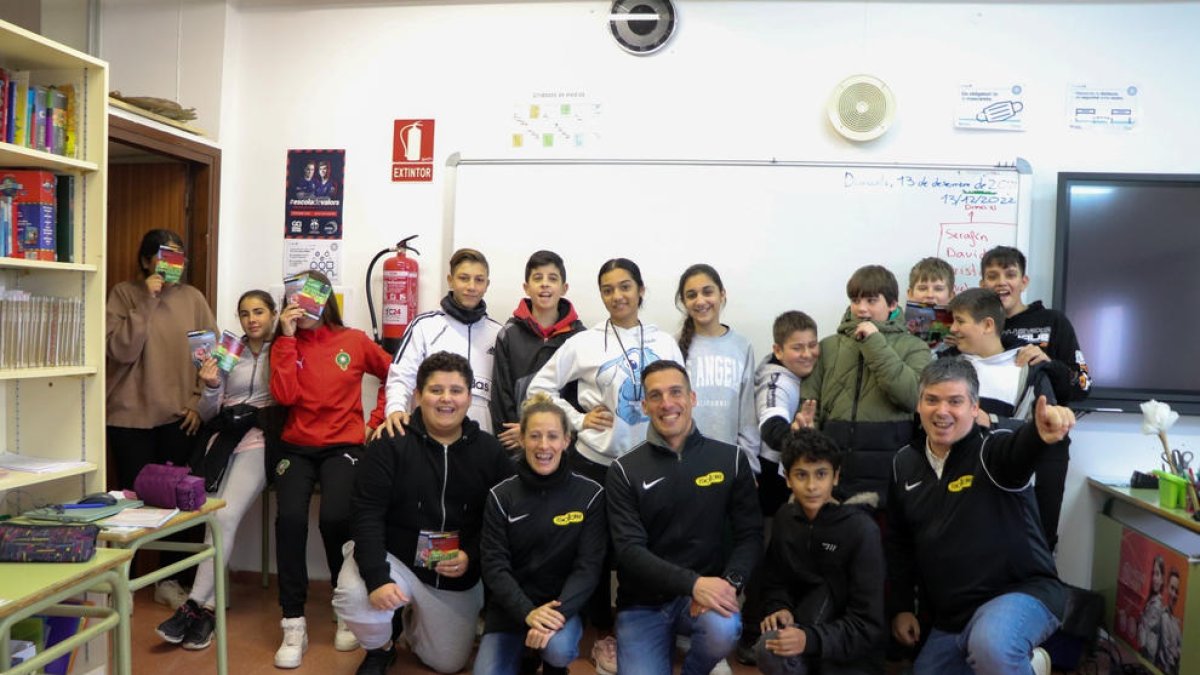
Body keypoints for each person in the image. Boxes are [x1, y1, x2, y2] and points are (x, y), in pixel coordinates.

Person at [527, 257, 683, 666]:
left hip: (649, 463)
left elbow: (678, 399)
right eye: (609, 289)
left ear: (641, 290)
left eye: (626, 286)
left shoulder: (664, 342)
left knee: (642, 549)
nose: (618, 296)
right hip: (595, 462)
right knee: (592, 551)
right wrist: (577, 420)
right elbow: (538, 390)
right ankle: (602, 631)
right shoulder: (585, 341)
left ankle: (644, 624)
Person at [886, 358, 1072, 675]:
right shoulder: (903, 463)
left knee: (993, 648)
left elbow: (1018, 452)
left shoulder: (992, 450)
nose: (941, 411)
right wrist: (902, 607)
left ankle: (1014, 659)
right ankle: (1025, 664)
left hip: (1020, 595)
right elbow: (901, 544)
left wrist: (1038, 435)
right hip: (953, 618)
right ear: (919, 405)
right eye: (932, 399)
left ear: (975, 408)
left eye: (955, 401)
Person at [332, 352, 514, 675]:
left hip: (453, 569)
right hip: (396, 557)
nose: (446, 399)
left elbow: (499, 521)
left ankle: (410, 621)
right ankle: (381, 648)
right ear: (417, 396)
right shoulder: (389, 443)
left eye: (456, 391)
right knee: (354, 596)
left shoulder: (490, 451)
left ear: (470, 397)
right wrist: (376, 579)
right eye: (435, 390)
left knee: (448, 663)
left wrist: (471, 556)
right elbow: (366, 514)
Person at [268, 270, 393, 669]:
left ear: (325, 299)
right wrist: (286, 336)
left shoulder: (353, 340)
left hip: (344, 445)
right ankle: (293, 620)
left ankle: (345, 609)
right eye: (294, 298)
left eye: (309, 297)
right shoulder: (285, 343)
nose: (302, 305)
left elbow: (397, 373)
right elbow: (284, 395)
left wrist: (377, 418)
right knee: (288, 520)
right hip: (297, 446)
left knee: (337, 518)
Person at [606, 360, 762, 675]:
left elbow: (751, 535)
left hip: (707, 598)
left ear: (692, 398)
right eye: (655, 396)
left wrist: (729, 584)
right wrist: (693, 584)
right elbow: (629, 552)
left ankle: (697, 667)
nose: (667, 403)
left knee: (723, 627)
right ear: (645, 406)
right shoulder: (624, 470)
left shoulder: (730, 459)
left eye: (676, 392)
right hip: (642, 606)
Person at [155, 289, 279, 650]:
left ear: (272, 313)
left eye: (258, 311)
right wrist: (210, 385)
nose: (251, 319)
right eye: (244, 313)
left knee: (223, 519)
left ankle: (192, 606)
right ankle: (207, 610)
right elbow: (210, 411)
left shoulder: (284, 350)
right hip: (222, 442)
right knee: (212, 520)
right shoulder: (229, 352)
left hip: (259, 442)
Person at [475, 393, 607, 675]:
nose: (544, 446)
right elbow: (495, 567)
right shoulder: (501, 496)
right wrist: (528, 613)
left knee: (558, 649)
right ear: (521, 439)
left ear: (567, 441)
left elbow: (588, 569)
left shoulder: (591, 495)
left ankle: (551, 663)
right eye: (534, 436)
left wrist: (553, 617)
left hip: (562, 607)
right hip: (511, 610)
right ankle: (525, 653)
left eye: (552, 436)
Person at [754, 427, 885, 675]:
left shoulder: (861, 530)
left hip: (848, 656)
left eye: (821, 474)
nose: (812, 485)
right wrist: (778, 607)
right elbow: (774, 581)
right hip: (800, 638)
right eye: (801, 475)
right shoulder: (785, 518)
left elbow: (869, 623)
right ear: (788, 479)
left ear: (835, 477)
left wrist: (810, 639)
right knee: (767, 647)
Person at [799, 265, 932, 504]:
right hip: (833, 471)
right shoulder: (828, 346)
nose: (861, 309)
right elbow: (811, 405)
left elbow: (911, 398)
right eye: (855, 300)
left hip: (889, 474)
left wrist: (874, 343)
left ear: (892, 304)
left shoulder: (915, 347)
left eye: (871, 300)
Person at [946, 288, 1067, 548]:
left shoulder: (1028, 370)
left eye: (960, 321)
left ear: (988, 325)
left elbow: (1047, 427)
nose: (952, 328)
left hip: (1008, 496)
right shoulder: (946, 367)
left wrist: (993, 422)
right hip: (955, 495)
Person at [106, 228, 216, 491]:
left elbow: (211, 357)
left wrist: (197, 402)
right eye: (164, 257)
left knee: (174, 497)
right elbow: (121, 351)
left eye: (178, 258)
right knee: (134, 498)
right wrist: (147, 299)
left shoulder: (193, 298)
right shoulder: (123, 294)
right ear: (146, 261)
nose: (172, 264)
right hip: (129, 419)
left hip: (181, 417)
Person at [382, 247, 502, 436]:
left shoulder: (499, 333)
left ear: (487, 285)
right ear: (451, 281)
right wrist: (395, 409)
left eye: (479, 280)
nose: (471, 286)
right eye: (464, 278)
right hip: (429, 439)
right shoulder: (423, 326)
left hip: (481, 441)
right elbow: (401, 377)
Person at [489, 250, 586, 451]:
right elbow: (501, 395)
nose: (544, 284)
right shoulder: (508, 334)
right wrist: (525, 433)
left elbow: (580, 398)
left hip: (563, 445)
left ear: (564, 288)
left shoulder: (580, 338)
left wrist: (562, 435)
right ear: (526, 287)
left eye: (552, 278)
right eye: (537, 278)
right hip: (516, 444)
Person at [979, 245, 1091, 404]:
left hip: (1039, 425)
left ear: (1024, 282)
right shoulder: (975, 328)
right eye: (992, 276)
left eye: (1010, 275)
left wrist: (1049, 364)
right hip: (987, 424)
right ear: (983, 286)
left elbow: (1084, 385)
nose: (1001, 282)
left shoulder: (1053, 321)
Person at [676, 264, 760, 473]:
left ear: (722, 294)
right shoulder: (672, 346)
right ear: (684, 302)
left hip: (728, 464)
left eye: (707, 292)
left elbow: (747, 415)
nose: (701, 301)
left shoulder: (742, 346)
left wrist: (747, 466)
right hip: (683, 463)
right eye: (692, 295)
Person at [755, 311, 821, 517]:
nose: (807, 354)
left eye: (812, 345)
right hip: (772, 482)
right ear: (778, 350)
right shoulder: (775, 382)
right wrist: (792, 434)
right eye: (797, 348)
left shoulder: (796, 373)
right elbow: (772, 427)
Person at [1136, 554, 1167, 666]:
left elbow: (1147, 626)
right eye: (1153, 573)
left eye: (1157, 574)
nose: (1154, 578)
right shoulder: (1152, 600)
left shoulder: (1157, 605)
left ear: (1163, 579)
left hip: (1148, 652)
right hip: (1144, 650)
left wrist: (1141, 618)